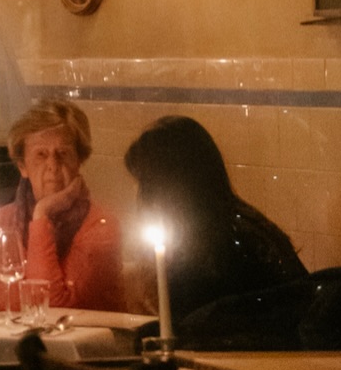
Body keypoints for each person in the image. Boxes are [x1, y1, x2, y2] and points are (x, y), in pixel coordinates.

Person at [124, 115, 305, 326]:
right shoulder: (242, 224)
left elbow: (195, 331)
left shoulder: (211, 249)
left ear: (166, 185)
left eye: (142, 182)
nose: (138, 193)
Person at [0, 100, 125, 311]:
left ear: (79, 161)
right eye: (41, 155)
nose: (53, 166)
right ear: (22, 166)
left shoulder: (101, 227)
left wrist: (41, 215)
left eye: (63, 154)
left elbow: (50, 306)